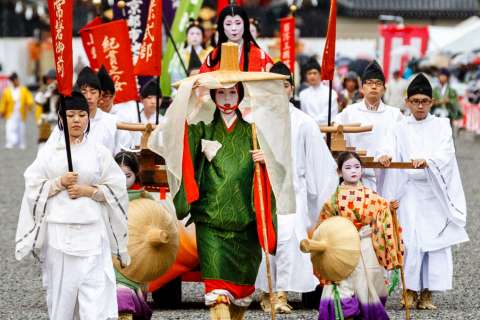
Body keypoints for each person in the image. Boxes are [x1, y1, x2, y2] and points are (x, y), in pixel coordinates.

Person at [15, 91, 130, 319]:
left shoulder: (99, 153)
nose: (76, 120)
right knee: (62, 300)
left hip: (93, 233)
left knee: (96, 298)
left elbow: (117, 188)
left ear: (88, 118)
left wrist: (90, 191)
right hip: (60, 234)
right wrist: (58, 182)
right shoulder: (49, 153)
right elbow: (33, 186)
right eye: (70, 115)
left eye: (81, 115)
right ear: (61, 118)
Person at [255, 62, 338, 314]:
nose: (279, 90)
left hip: (294, 190)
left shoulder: (304, 122)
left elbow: (318, 163)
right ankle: (266, 290)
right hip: (264, 188)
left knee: (290, 238)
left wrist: (318, 202)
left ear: (290, 88)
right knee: (264, 239)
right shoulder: (255, 120)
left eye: (284, 85)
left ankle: (281, 293)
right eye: (273, 86)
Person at [382, 73, 469, 310]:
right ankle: (409, 291)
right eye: (415, 101)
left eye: (424, 101)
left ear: (431, 102)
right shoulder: (399, 127)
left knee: (434, 243)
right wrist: (387, 156)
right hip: (409, 191)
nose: (420, 105)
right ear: (407, 102)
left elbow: (446, 154)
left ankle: (427, 294)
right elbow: (392, 149)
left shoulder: (441, 125)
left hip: (434, 190)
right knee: (411, 240)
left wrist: (428, 161)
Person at [316, 151, 404, 320]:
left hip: (365, 245)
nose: (353, 171)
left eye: (357, 167)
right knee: (342, 283)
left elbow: (382, 212)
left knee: (368, 282)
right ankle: (346, 314)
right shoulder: (333, 200)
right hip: (341, 249)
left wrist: (390, 210)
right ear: (339, 172)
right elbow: (324, 226)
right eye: (348, 167)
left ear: (362, 170)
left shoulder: (371, 196)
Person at [334, 60, 403, 191]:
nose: (374, 87)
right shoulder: (349, 112)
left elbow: (402, 143)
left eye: (378, 84)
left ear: (384, 89)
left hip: (387, 176)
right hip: (358, 178)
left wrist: (388, 154)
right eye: (369, 83)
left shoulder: (395, 114)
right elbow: (335, 127)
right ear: (362, 88)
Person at [46, 67, 122, 155]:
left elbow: (121, 156)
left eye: (93, 92)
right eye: (84, 92)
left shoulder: (112, 122)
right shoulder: (65, 123)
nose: (88, 96)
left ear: (100, 95)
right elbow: (48, 153)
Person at [114, 151, 153, 320]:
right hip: (113, 251)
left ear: (136, 174)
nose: (123, 180)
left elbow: (155, 220)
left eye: (127, 175)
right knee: (118, 288)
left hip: (138, 252)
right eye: (118, 175)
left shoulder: (145, 197)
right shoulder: (106, 196)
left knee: (132, 286)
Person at [200, 4, 273, 73]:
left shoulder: (260, 55)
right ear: (222, 27)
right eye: (228, 24)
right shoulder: (213, 56)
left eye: (238, 23)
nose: (233, 28)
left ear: (245, 25)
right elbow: (201, 81)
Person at [97, 66, 135, 151]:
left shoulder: (123, 117)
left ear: (114, 95)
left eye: (105, 96)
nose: (101, 100)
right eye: (99, 96)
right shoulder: (90, 116)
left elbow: (126, 144)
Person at [0, 72, 39, 149]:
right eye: (14, 80)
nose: (16, 81)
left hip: (20, 113)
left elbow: (29, 99)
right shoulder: (7, 91)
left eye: (16, 80)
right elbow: (3, 103)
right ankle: (10, 142)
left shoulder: (23, 90)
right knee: (9, 128)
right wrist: (1, 111)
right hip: (11, 114)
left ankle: (21, 143)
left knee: (21, 129)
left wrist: (32, 106)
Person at [170, 19, 212, 83]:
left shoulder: (209, 54)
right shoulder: (180, 54)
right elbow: (175, 74)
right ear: (187, 37)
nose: (195, 36)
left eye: (198, 34)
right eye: (192, 34)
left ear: (202, 37)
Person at [299, 58, 338, 125]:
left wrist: (313, 122)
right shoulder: (302, 94)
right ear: (306, 76)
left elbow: (330, 114)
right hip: (309, 129)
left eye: (314, 73)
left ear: (320, 74)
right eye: (309, 73)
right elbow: (303, 114)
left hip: (326, 130)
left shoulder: (331, 93)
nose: (312, 76)